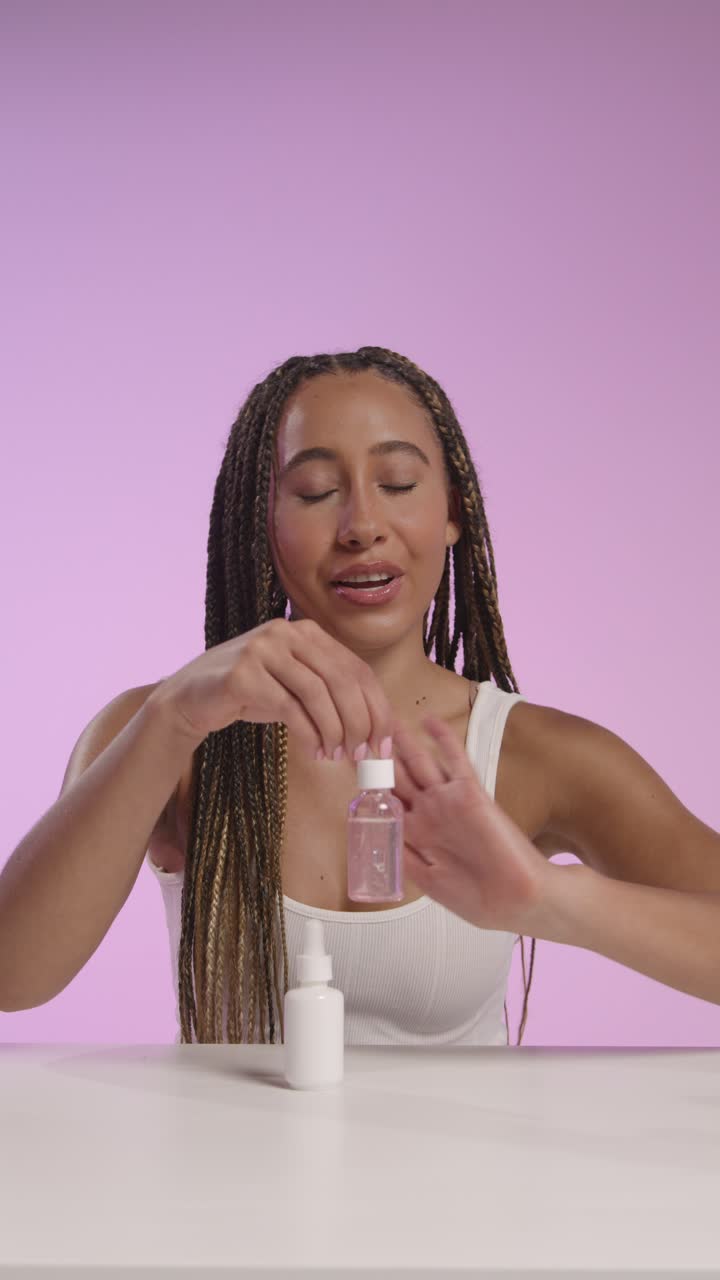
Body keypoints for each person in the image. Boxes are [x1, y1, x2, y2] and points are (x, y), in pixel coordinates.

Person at [6, 346, 717, 1044]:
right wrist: (174, 717)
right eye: (316, 493)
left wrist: (549, 900)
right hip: (226, 1167)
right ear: (261, 525)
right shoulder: (165, 734)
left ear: (453, 512)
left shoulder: (542, 756)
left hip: (471, 1166)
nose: (362, 527)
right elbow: (14, 976)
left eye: (399, 484)